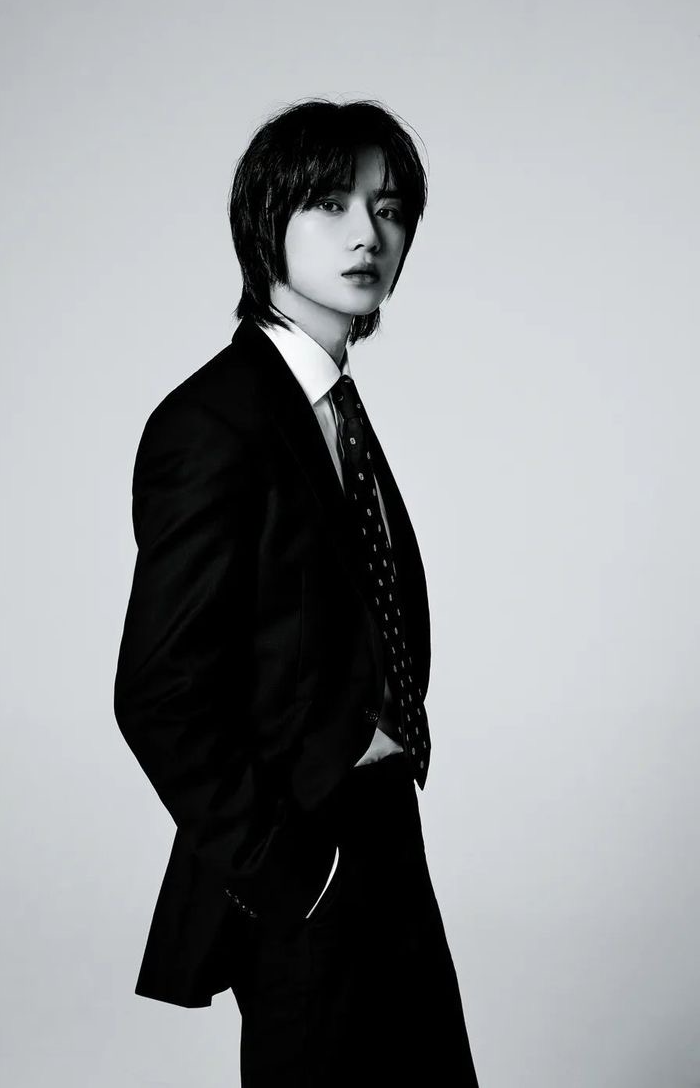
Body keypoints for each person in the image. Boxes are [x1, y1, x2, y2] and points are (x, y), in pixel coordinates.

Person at [114, 97, 479, 1086]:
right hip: (305, 852)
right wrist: (294, 873)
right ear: (266, 219)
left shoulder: (333, 409)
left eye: (389, 209)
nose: (368, 234)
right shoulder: (213, 423)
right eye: (331, 203)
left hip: (385, 828)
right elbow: (158, 692)